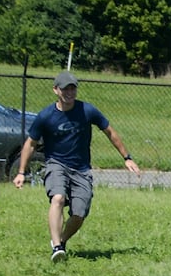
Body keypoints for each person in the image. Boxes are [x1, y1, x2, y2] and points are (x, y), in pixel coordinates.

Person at [13, 71, 140, 263]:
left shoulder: (87, 111)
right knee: (58, 198)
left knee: (79, 214)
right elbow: (30, 144)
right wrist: (21, 172)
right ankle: (56, 247)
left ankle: (61, 241)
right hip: (56, 164)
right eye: (65, 89)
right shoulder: (46, 116)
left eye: (73, 88)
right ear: (56, 90)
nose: (69, 92)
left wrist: (127, 157)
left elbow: (110, 132)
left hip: (81, 169)